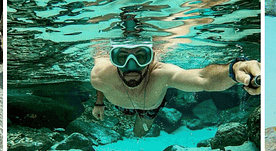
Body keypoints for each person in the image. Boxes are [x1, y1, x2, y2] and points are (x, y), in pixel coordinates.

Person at [90, 39, 261, 137]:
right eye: (122, 57)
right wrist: (99, 103)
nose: (132, 66)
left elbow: (203, 78)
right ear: (113, 59)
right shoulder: (100, 75)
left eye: (141, 56)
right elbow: (101, 85)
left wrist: (232, 70)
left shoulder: (161, 74)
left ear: (151, 58)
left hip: (150, 107)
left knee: (138, 134)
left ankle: (144, 118)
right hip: (121, 104)